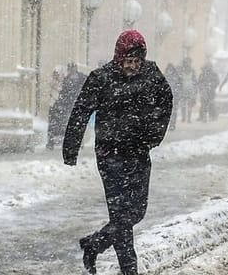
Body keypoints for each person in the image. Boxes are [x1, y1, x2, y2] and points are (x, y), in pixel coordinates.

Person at [63, 30, 173, 275]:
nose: (132, 67)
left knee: (137, 211)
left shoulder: (152, 75)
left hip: (138, 154)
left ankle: (94, 244)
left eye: (137, 62)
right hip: (110, 155)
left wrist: (155, 134)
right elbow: (80, 110)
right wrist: (71, 149)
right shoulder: (101, 78)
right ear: (118, 59)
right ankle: (129, 270)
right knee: (121, 215)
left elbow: (166, 102)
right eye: (128, 62)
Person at [176, 57, 197, 123]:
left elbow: (195, 81)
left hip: (188, 89)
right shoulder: (182, 70)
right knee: (184, 104)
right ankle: (185, 118)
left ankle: (187, 118)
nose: (188, 64)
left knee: (187, 104)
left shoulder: (186, 71)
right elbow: (195, 81)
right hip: (185, 89)